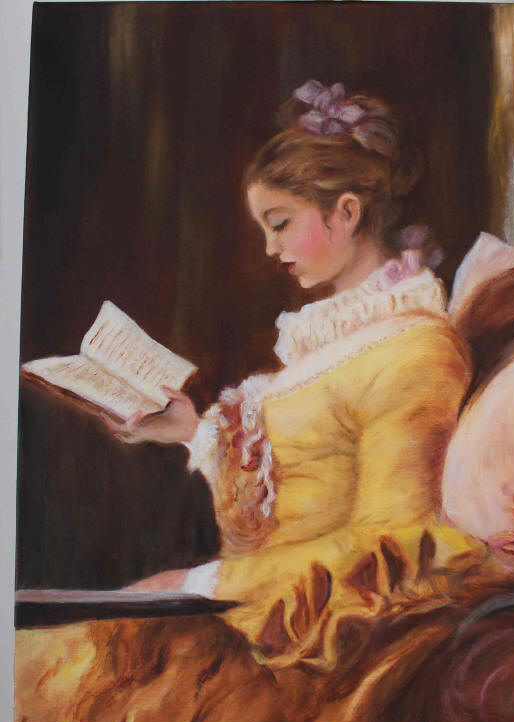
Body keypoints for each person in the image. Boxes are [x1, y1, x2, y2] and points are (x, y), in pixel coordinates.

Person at [101, 79, 488, 669]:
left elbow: (389, 547)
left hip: (308, 640)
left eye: (279, 223)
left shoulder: (416, 351)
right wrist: (192, 432)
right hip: (254, 610)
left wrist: (199, 583)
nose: (268, 247)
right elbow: (299, 479)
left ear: (346, 213)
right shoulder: (331, 340)